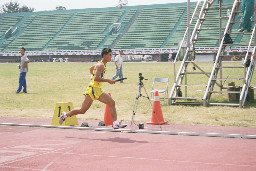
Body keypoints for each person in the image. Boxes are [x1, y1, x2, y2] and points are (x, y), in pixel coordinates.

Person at [59, 48, 127, 129]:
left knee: (111, 102)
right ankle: (65, 115)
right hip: (93, 90)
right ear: (104, 55)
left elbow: (90, 69)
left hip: (98, 89)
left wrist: (94, 71)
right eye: (110, 55)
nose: (111, 57)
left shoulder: (101, 64)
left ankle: (115, 123)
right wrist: (108, 80)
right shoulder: (100, 65)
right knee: (82, 110)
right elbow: (96, 78)